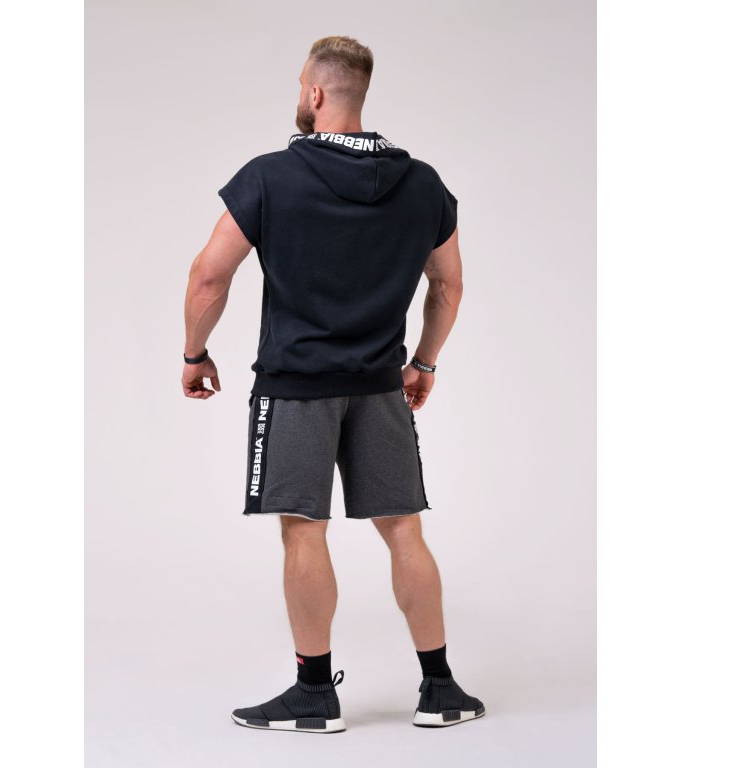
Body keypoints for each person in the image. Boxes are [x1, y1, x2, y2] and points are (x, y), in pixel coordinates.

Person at [181, 35, 483, 733]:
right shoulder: (423, 184)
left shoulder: (270, 177)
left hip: (295, 388)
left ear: (315, 92)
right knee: (404, 531)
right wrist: (423, 363)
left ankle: (314, 695)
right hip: (380, 385)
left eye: (301, 85)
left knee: (303, 532)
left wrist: (195, 353)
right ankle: (441, 690)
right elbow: (449, 285)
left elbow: (208, 277)